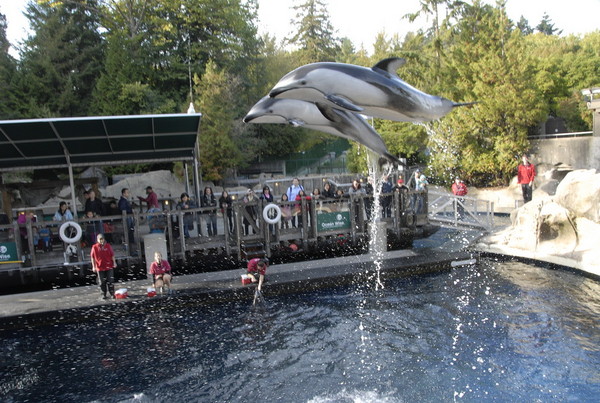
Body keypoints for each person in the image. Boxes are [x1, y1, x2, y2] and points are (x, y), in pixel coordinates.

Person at [90, 233, 116, 300]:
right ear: (97, 240)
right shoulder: (94, 247)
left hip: (109, 266)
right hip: (100, 267)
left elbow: (112, 255)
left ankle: (112, 293)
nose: (101, 241)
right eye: (100, 239)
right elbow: (92, 257)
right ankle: (103, 294)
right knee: (102, 282)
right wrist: (94, 266)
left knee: (110, 280)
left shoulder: (108, 246)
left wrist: (114, 263)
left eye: (102, 239)